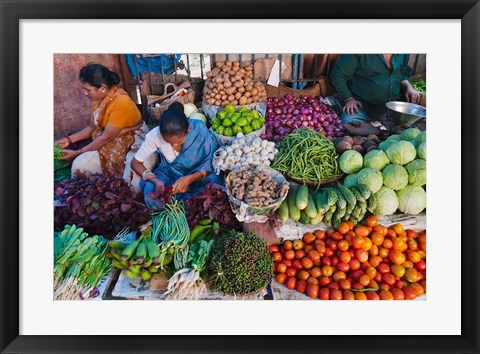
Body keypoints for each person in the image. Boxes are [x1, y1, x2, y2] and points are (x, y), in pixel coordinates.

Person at [55, 63, 144, 177]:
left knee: (129, 176)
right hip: (106, 137)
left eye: (87, 90)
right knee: (79, 166)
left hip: (130, 138)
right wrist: (68, 140)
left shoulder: (121, 101)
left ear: (102, 88)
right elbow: (92, 127)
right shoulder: (98, 99)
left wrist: (77, 153)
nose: (85, 93)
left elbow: (106, 137)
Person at [131, 105, 222, 210]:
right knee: (150, 192)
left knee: (216, 182)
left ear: (188, 129)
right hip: (172, 175)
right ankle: (189, 204)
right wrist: (155, 180)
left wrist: (188, 179)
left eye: (179, 141)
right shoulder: (155, 135)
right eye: (168, 142)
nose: (174, 146)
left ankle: (182, 203)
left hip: (199, 175)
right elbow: (135, 163)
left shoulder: (198, 129)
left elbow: (210, 162)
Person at [330, 54, 421, 127]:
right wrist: (348, 99)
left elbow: (402, 73)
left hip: (389, 110)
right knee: (348, 126)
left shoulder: (403, 54)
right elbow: (338, 75)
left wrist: (408, 87)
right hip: (360, 109)